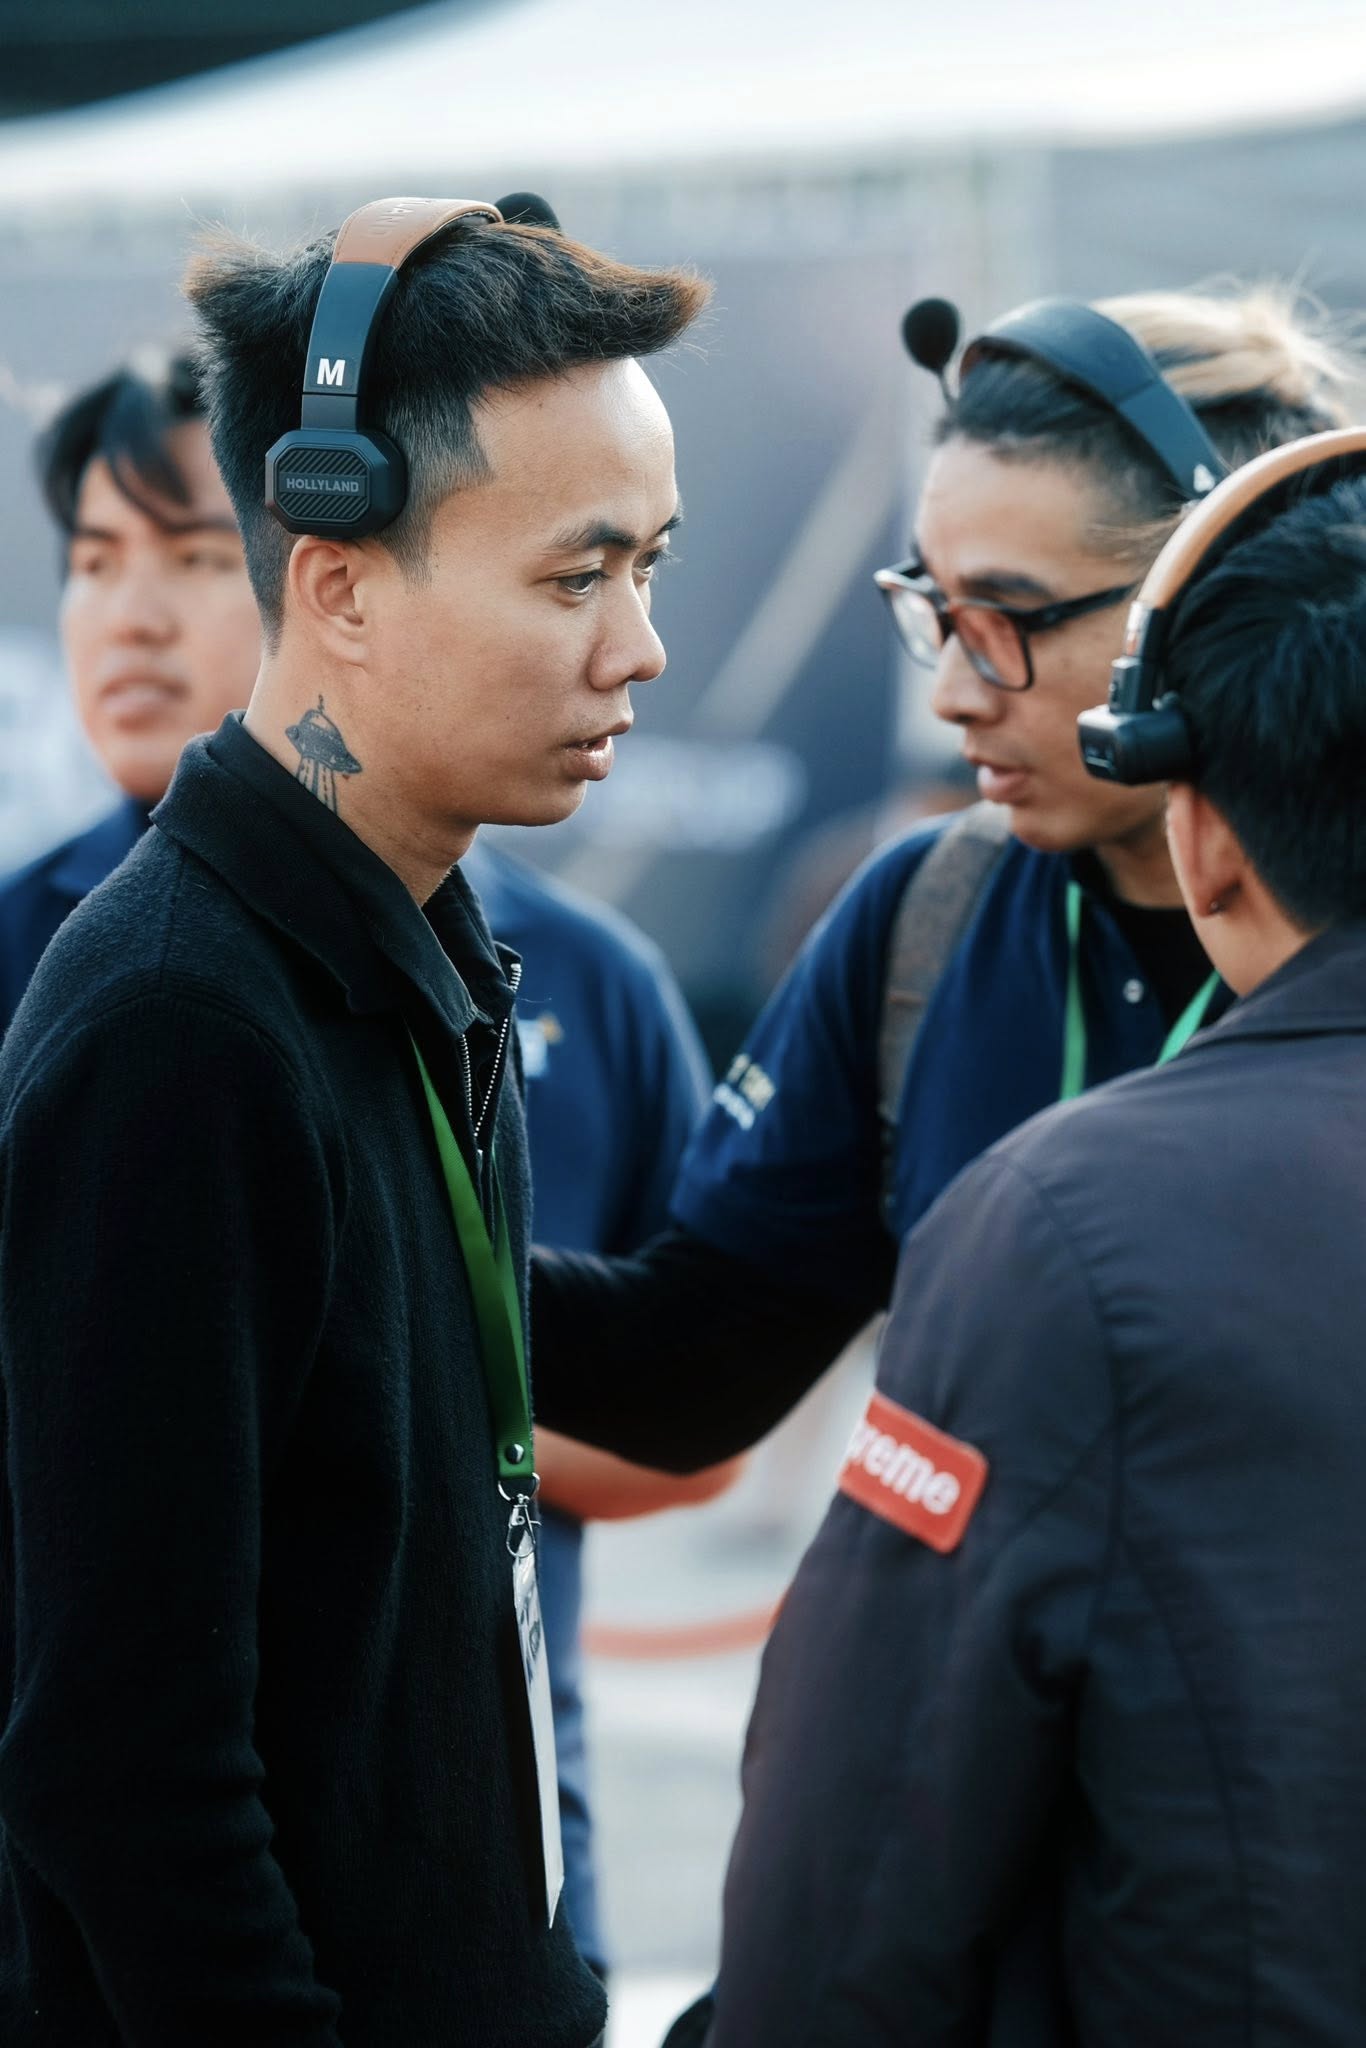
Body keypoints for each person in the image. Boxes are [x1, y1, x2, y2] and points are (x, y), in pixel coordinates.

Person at [0, 197, 707, 2048]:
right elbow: (125, 1765)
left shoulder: (414, 944)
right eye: (577, 577)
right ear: (336, 582)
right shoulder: (178, 1027)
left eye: (650, 566)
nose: (639, 646)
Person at [702, 441, 1366, 2042]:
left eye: (1007, 618)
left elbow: (852, 1885)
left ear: (1202, 832)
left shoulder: (1060, 1226)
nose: (957, 691)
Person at [531, 283, 1360, 1465]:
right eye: (937, 610)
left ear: (1221, 594)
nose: (953, 695)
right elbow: (693, 1365)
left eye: (1009, 618)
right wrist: (366, 1219)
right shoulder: (924, 911)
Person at [463, 837, 736, 1983]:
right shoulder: (76, 941)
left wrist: (430, 1424)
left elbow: (699, 1425)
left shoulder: (598, 975)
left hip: (506, 1785)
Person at [0, 354, 259, 1027]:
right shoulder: (15, 944)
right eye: (96, 564)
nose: (130, 620)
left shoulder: (506, 951)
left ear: (333, 584)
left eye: (196, 557)